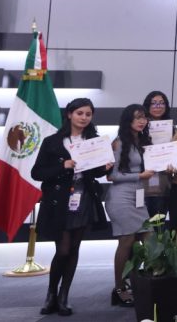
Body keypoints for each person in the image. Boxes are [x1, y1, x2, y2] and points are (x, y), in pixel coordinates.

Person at [32, 98, 112, 316]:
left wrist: (104, 168)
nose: (84, 118)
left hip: (83, 197)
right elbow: (37, 173)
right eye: (79, 113)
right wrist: (63, 165)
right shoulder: (53, 141)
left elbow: (93, 173)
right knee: (63, 248)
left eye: (88, 114)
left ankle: (64, 295)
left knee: (74, 248)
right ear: (69, 114)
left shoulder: (95, 141)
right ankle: (51, 294)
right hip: (59, 201)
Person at [105, 104, 151, 307]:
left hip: (139, 197)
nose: (142, 121)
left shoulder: (141, 141)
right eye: (137, 118)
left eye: (144, 117)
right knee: (126, 241)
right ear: (128, 120)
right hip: (121, 198)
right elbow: (111, 175)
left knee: (150, 239)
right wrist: (139, 175)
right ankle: (119, 288)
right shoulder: (119, 142)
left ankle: (141, 283)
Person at [142, 90, 172, 218]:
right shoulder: (139, 126)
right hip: (141, 182)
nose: (157, 107)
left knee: (158, 226)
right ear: (147, 106)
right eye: (153, 103)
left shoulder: (172, 128)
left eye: (161, 103)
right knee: (141, 227)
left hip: (164, 183)